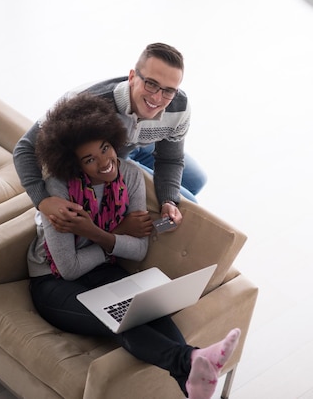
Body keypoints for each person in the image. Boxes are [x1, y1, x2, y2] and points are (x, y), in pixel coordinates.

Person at [27, 93, 239, 399]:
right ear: (75, 165)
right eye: (90, 159)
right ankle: (190, 359)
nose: (104, 163)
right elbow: (69, 268)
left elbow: (138, 249)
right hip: (51, 282)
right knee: (121, 317)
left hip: (101, 270)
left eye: (105, 149)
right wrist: (111, 235)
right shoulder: (58, 190)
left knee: (150, 307)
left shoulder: (130, 176)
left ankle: (192, 374)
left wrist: (95, 232)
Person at [14, 42, 206, 237]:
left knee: (197, 180)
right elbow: (25, 148)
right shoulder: (84, 104)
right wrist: (42, 200)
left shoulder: (179, 107)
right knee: (192, 203)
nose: (157, 98)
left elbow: (170, 159)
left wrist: (169, 200)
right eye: (151, 84)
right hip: (112, 153)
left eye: (168, 90)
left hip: (142, 142)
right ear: (132, 77)